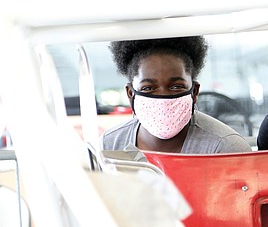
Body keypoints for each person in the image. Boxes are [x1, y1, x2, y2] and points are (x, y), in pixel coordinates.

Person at [101, 36, 251, 154]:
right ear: (130, 93)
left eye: (176, 86)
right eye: (148, 88)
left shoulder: (225, 148)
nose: (163, 98)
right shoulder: (110, 145)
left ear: (194, 92)